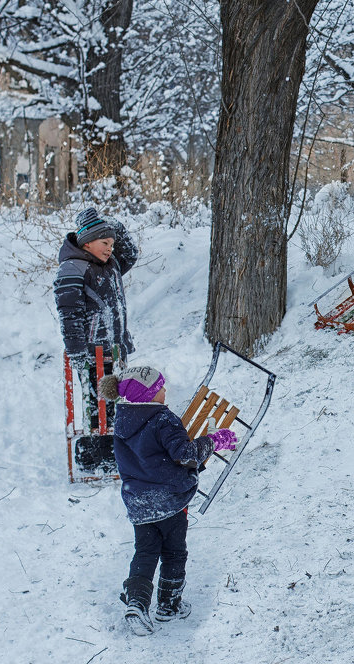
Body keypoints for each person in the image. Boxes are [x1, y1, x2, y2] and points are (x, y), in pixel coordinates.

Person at [104, 366, 238, 635]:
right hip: (170, 501)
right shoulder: (163, 419)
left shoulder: (122, 422)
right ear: (150, 394)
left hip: (139, 503)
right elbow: (185, 453)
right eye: (161, 388)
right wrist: (214, 440)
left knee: (145, 552)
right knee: (174, 553)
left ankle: (137, 604)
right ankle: (169, 606)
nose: (165, 391)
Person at [54, 207, 139, 470]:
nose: (110, 249)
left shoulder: (110, 265)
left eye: (112, 244)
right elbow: (69, 316)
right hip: (92, 353)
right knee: (97, 404)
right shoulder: (72, 269)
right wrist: (78, 354)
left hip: (114, 350)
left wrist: (116, 226)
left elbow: (131, 254)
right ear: (86, 242)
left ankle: (110, 452)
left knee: (114, 402)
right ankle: (93, 457)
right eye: (105, 243)